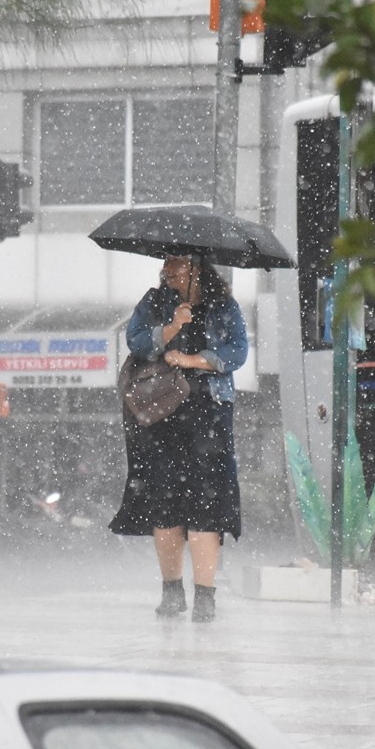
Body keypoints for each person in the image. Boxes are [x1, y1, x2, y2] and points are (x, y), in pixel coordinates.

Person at [109, 254, 248, 622]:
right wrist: (171, 329)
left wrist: (195, 360)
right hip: (162, 414)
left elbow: (237, 352)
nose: (169, 271)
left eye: (178, 265)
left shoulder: (223, 305)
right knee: (164, 503)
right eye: (166, 264)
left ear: (197, 268)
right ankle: (172, 591)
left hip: (210, 413)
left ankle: (205, 596)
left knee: (208, 505)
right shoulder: (154, 301)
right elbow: (136, 341)